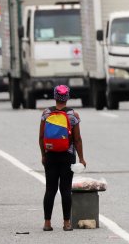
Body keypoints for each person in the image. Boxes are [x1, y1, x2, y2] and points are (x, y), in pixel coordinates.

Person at [39, 85, 86, 231]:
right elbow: (77, 139)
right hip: (67, 155)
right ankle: (66, 223)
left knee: (50, 189)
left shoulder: (46, 114)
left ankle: (47, 223)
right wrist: (81, 158)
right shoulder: (73, 116)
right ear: (67, 98)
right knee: (65, 189)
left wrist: (43, 155)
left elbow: (41, 137)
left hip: (51, 155)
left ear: (55, 97)